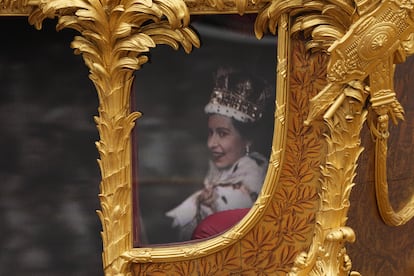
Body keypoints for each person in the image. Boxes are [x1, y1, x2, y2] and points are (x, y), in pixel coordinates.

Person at [165, 67, 273, 241]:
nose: (211, 144)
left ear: (247, 140)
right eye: (210, 133)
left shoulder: (247, 188)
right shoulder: (218, 178)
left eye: (222, 134)